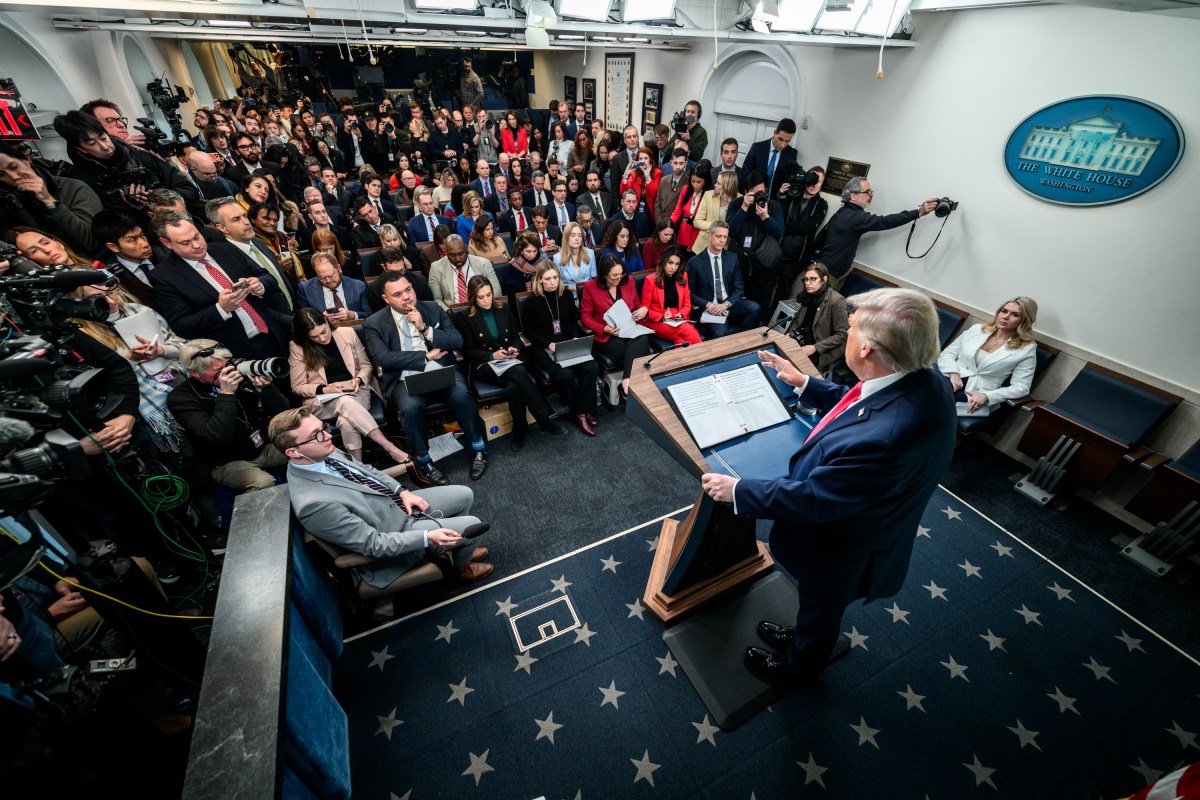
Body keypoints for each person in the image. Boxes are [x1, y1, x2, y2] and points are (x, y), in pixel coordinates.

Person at [700, 288, 957, 686]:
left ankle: (798, 668)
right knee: (817, 605)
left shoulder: (885, 440)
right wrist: (807, 383)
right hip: (863, 520)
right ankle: (804, 637)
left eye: (851, 328)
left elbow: (815, 499)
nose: (847, 331)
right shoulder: (922, 376)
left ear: (867, 349)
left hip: (845, 543)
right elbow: (863, 403)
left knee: (822, 605)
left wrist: (738, 491)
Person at [271, 406, 493, 587]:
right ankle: (457, 571)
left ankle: (459, 552)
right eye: (316, 435)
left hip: (397, 506)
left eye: (323, 428)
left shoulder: (320, 450)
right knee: (471, 525)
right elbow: (373, 544)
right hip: (394, 532)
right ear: (293, 452)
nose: (328, 435)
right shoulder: (314, 504)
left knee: (465, 494)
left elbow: (368, 471)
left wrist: (401, 491)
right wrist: (428, 537)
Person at [363, 271, 490, 483]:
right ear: (385, 298)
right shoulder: (374, 322)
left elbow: (456, 341)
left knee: (462, 395)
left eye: (408, 290)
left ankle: (479, 448)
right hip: (405, 379)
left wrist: (425, 329)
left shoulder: (431, 308)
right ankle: (424, 460)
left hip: (440, 370)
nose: (406, 297)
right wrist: (425, 356)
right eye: (397, 294)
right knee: (410, 409)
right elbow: (384, 358)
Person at [287, 307, 419, 472]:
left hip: (356, 389)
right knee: (344, 401)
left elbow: (365, 365)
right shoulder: (298, 347)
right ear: (305, 336)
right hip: (322, 400)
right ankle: (389, 447)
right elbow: (297, 387)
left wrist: (358, 379)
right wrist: (324, 389)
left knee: (346, 422)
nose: (322, 338)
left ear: (328, 322)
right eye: (315, 336)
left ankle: (358, 470)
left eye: (324, 331)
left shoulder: (347, 333)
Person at [69, 279, 190, 455]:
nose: (110, 301)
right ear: (79, 301)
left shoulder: (138, 311)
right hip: (142, 407)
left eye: (110, 292)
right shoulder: (81, 333)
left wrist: (162, 350)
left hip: (181, 384)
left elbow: (184, 346)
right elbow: (101, 380)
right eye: (98, 298)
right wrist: (130, 360)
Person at [150, 212, 290, 360]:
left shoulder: (226, 249)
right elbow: (182, 326)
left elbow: (265, 275)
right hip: (234, 354)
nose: (197, 245)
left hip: (274, 335)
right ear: (167, 243)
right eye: (185, 243)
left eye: (197, 236)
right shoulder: (163, 276)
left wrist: (259, 285)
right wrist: (220, 309)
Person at [454, 276, 566, 452]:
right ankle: (544, 419)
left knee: (514, 386)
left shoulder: (503, 308)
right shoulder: (464, 316)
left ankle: (519, 431)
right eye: (481, 297)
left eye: (489, 295)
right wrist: (492, 355)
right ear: (473, 297)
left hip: (508, 361)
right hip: (484, 364)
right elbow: (468, 352)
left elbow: (516, 337)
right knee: (520, 373)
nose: (486, 300)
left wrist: (514, 348)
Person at [169, 339, 292, 492]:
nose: (228, 372)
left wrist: (266, 389)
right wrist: (226, 394)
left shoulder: (239, 374)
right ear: (195, 373)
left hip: (262, 446)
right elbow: (217, 437)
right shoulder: (181, 398)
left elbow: (283, 412)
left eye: (227, 364)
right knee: (263, 482)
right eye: (218, 370)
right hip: (227, 461)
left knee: (306, 446)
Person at [52, 111, 200, 214]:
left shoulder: (139, 157)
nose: (104, 146)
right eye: (92, 143)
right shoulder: (79, 180)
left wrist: (157, 199)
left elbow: (188, 190)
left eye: (103, 138)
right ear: (80, 148)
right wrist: (131, 208)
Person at [523, 263, 600, 436]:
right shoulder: (531, 301)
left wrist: (574, 337)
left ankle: (581, 410)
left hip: (567, 343)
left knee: (591, 366)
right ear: (540, 280)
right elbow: (529, 331)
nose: (552, 282)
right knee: (564, 375)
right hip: (544, 347)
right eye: (548, 279)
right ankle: (581, 413)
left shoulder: (565, 294)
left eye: (555, 278)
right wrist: (548, 344)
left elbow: (574, 320)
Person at [818, 177, 939, 286]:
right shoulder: (855, 217)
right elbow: (884, 222)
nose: (871, 195)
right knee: (817, 310)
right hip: (827, 275)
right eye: (867, 192)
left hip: (821, 269)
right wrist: (918, 212)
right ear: (854, 196)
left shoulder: (842, 213)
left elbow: (819, 239)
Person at [937, 296, 1038, 416]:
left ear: (1024, 320)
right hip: (950, 378)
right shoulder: (976, 330)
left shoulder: (1026, 349)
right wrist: (953, 373)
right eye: (1004, 311)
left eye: (1015, 315)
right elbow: (947, 354)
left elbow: (1021, 387)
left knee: (936, 404)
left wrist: (987, 396)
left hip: (974, 394)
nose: (1005, 317)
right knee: (921, 391)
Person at [0, 142, 102, 255]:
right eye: (1, 174)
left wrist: (49, 200)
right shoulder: (8, 203)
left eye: (14, 167)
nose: (13, 177)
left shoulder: (73, 187)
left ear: (26, 161)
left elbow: (91, 242)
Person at [580, 254, 653, 397]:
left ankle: (627, 380)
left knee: (643, 339)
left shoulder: (629, 281)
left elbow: (637, 305)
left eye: (621, 274)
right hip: (607, 336)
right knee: (637, 348)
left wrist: (643, 310)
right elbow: (585, 317)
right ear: (604, 274)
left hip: (628, 329)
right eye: (614, 276)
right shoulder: (590, 287)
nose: (618, 279)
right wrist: (604, 328)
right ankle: (636, 385)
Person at [686, 220, 761, 338]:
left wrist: (726, 304)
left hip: (729, 304)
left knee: (754, 308)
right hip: (711, 309)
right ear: (709, 236)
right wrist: (708, 305)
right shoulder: (694, 262)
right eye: (718, 236)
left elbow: (739, 288)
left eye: (725, 237)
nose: (722, 240)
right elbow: (689, 292)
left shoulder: (732, 258)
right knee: (720, 333)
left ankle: (743, 342)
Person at [726, 170, 785, 316]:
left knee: (759, 308)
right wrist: (744, 208)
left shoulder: (774, 206)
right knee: (736, 305)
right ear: (746, 192)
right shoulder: (736, 204)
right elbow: (731, 231)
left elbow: (779, 232)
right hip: (739, 265)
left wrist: (766, 217)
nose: (759, 196)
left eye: (762, 192)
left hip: (763, 267)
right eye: (754, 193)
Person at [784, 263, 851, 382]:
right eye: (806, 279)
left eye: (813, 279)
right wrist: (790, 333)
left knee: (794, 372)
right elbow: (797, 319)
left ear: (824, 280)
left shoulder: (836, 301)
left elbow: (843, 335)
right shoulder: (807, 295)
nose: (808, 283)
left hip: (822, 349)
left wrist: (815, 347)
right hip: (804, 340)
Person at [778, 165, 829, 294]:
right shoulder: (791, 195)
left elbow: (809, 227)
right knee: (766, 287)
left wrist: (784, 227)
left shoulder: (821, 204)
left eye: (819, 181)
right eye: (812, 180)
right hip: (777, 250)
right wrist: (781, 195)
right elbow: (777, 217)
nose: (814, 185)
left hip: (796, 257)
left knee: (783, 291)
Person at [641, 246, 702, 346]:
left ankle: (682, 361)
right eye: (670, 263)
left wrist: (681, 314)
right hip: (658, 322)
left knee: (681, 340)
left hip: (678, 319)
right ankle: (704, 356)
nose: (673, 267)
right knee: (688, 330)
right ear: (663, 261)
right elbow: (645, 309)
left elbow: (687, 304)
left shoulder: (683, 277)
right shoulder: (650, 280)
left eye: (677, 264)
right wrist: (662, 317)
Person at [427, 234, 502, 310]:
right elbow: (436, 299)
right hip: (453, 313)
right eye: (452, 255)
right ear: (446, 253)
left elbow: (497, 291)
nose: (457, 258)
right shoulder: (436, 268)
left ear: (466, 249)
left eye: (461, 254)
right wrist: (450, 313)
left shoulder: (483, 264)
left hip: (481, 308)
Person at [297, 251, 371, 321]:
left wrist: (351, 315)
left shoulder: (358, 286)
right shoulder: (306, 289)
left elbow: (369, 315)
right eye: (322, 278)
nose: (328, 281)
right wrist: (321, 319)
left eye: (331, 276)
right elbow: (304, 320)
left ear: (339, 268)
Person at [740, 117, 799, 199]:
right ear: (775, 133)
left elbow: (789, 182)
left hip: (775, 202)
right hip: (753, 198)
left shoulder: (791, 154)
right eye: (780, 139)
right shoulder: (757, 148)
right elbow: (744, 175)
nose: (783, 145)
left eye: (787, 141)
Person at [367, 246, 433, 312]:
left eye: (401, 270)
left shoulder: (420, 281)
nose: (399, 275)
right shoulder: (374, 289)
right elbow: (380, 316)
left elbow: (429, 308)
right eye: (393, 272)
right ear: (384, 267)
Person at [692, 170, 739, 255]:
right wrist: (716, 228)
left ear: (727, 186)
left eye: (718, 183)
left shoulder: (740, 200)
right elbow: (697, 221)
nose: (715, 185)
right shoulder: (708, 195)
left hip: (725, 248)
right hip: (703, 246)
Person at [673, 163, 711, 252]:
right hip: (683, 234)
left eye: (699, 182)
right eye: (692, 181)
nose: (695, 185)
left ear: (706, 181)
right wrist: (670, 223)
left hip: (698, 237)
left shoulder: (709, 194)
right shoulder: (685, 189)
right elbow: (677, 210)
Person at [619, 147, 661, 223]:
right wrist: (625, 175)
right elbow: (624, 192)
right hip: (636, 207)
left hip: (650, 209)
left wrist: (648, 177)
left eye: (645, 158)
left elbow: (655, 194)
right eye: (641, 159)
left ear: (650, 160)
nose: (643, 161)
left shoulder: (657, 173)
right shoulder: (634, 173)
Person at [552, 222, 595, 290]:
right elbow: (557, 284)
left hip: (588, 293)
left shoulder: (590, 253)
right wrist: (571, 288)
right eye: (573, 235)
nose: (577, 239)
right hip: (569, 295)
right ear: (566, 237)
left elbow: (594, 278)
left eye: (580, 235)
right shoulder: (557, 258)